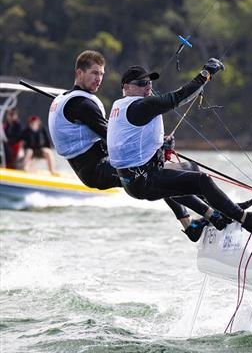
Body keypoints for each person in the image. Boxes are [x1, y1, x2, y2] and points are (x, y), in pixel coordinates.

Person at [47, 50, 237, 241]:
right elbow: (112, 137)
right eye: (94, 73)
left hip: (91, 167)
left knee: (161, 176)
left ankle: (192, 223)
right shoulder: (82, 104)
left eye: (102, 74)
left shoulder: (65, 99)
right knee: (157, 177)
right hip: (97, 168)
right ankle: (216, 214)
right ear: (79, 73)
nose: (99, 79)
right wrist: (157, 147)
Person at [107, 59, 252, 233]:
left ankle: (223, 211)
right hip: (144, 181)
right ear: (126, 87)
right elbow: (178, 98)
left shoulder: (121, 107)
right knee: (202, 181)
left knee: (190, 168)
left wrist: (162, 146)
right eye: (141, 83)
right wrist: (205, 74)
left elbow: (131, 143)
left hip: (136, 179)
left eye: (149, 82)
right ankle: (246, 220)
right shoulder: (138, 106)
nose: (148, 87)